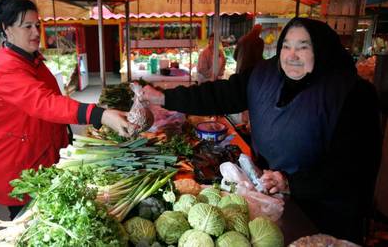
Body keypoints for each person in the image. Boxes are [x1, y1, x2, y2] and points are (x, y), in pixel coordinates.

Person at [141, 17, 382, 244]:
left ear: (322, 50)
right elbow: (218, 94)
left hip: (327, 212)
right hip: (274, 194)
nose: (292, 56)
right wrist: (164, 98)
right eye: (286, 46)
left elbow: (353, 169)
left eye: (303, 47)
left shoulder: (353, 95)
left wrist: (291, 183)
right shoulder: (265, 74)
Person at [0, 0, 135, 220]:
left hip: (39, 152)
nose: (36, 32)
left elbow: (52, 100)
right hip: (18, 161)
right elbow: (44, 103)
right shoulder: (6, 67)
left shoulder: (30, 58)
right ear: (7, 29)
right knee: (28, 224)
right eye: (27, 26)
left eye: (37, 25)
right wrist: (99, 115)